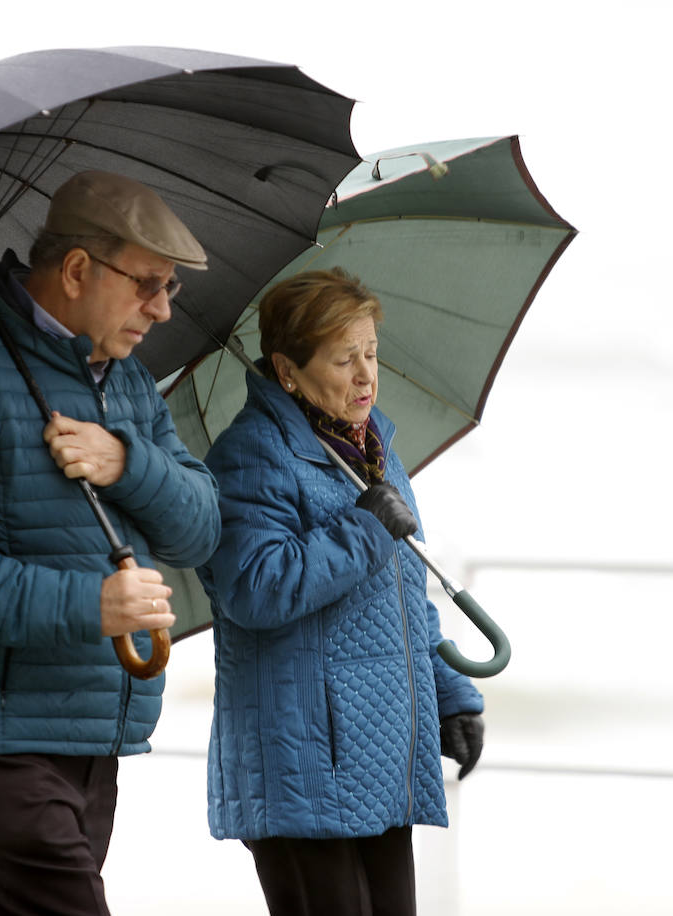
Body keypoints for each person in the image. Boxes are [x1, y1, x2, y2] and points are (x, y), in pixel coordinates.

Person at [0, 170, 221, 916]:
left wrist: (128, 463)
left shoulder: (124, 383)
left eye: (171, 290)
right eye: (148, 284)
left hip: (86, 729)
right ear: (78, 270)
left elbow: (198, 530)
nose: (159, 309)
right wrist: (90, 603)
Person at [198, 267, 486, 916]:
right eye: (342, 358)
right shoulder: (250, 455)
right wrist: (363, 530)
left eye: (372, 353)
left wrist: (448, 696)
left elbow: (399, 598)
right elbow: (255, 588)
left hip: (377, 753)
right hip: (302, 761)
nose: (365, 376)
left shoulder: (373, 445)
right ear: (287, 369)